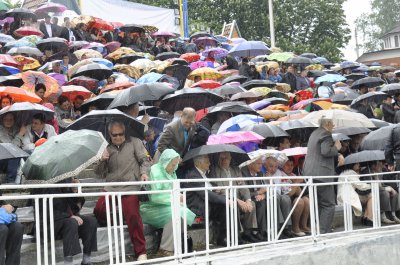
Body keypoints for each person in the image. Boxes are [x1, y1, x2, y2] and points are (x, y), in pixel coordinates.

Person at [93, 121, 151, 261]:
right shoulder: (105, 147)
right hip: (111, 186)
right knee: (99, 210)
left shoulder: (135, 142)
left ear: (125, 133)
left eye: (121, 134)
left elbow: (145, 160)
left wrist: (144, 173)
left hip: (130, 185)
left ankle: (141, 252)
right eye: (115, 135)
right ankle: (117, 224)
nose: (118, 137)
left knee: (133, 216)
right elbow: (98, 173)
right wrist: (102, 160)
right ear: (110, 135)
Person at [140, 149, 196, 256]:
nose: (174, 167)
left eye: (175, 164)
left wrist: (179, 198)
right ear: (165, 161)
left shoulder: (172, 172)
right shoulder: (155, 171)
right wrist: (175, 198)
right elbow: (155, 197)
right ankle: (165, 249)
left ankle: (179, 245)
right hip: (151, 208)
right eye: (172, 164)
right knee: (175, 213)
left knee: (183, 211)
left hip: (166, 206)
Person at [35, 178, 98, 265]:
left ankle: (86, 259)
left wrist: (75, 191)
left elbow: (75, 207)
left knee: (90, 222)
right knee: (71, 223)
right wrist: (69, 216)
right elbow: (44, 211)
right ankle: (68, 262)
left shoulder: (63, 183)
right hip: (50, 224)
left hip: (66, 221)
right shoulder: (41, 185)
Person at [209, 152, 262, 242]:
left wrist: (247, 200)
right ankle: (236, 234)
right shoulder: (214, 170)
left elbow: (243, 187)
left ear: (230, 159)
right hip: (225, 200)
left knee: (251, 203)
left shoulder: (236, 170)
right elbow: (220, 190)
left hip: (238, 199)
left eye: (226, 158)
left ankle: (248, 233)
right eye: (221, 158)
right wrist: (237, 200)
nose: (224, 160)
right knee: (234, 205)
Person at [303, 117, 342, 234]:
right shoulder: (326, 134)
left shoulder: (314, 133)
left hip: (310, 174)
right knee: (329, 204)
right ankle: (324, 231)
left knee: (319, 204)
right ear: (328, 123)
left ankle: (319, 230)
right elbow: (325, 151)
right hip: (322, 175)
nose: (333, 126)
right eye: (332, 124)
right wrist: (337, 148)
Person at [184, 155, 229, 246]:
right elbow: (205, 194)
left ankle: (234, 236)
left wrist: (217, 189)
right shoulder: (193, 175)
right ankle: (222, 238)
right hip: (199, 206)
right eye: (207, 162)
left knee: (230, 204)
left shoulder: (204, 173)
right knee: (226, 205)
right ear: (200, 163)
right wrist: (225, 200)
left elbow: (211, 188)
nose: (210, 163)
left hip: (208, 203)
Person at [337, 162, 374, 226]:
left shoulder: (345, 172)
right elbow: (361, 186)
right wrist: (372, 185)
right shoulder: (350, 173)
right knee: (372, 196)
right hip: (348, 198)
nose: (359, 165)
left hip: (343, 197)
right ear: (352, 164)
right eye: (357, 164)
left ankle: (365, 217)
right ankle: (369, 218)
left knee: (369, 196)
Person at [0, 113, 26, 183]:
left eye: (11, 119)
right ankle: (10, 181)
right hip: (2, 158)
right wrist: (20, 134)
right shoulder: (0, 130)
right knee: (15, 156)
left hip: (12, 157)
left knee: (29, 153)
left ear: (14, 120)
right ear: (2, 120)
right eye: (6, 120)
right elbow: (11, 148)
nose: (8, 121)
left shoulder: (16, 128)